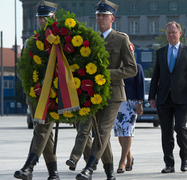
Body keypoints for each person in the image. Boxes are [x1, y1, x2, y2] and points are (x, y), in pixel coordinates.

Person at [75, 0, 137, 179]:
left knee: (103, 130)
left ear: (112, 19)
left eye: (104, 16)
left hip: (114, 93)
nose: (100, 18)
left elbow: (131, 69)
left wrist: (105, 74)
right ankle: (110, 172)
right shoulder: (91, 40)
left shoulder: (121, 39)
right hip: (94, 94)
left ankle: (89, 168)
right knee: (102, 135)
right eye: (98, 15)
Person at [14, 1, 60, 180]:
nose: (42, 21)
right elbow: (21, 69)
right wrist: (29, 86)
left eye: (45, 17)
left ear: (53, 17)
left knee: (41, 130)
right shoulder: (30, 42)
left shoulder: (59, 39)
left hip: (53, 95)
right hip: (34, 94)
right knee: (44, 134)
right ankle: (53, 173)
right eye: (40, 18)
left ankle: (28, 167)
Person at [148, 21, 187, 173]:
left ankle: (185, 159)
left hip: (182, 97)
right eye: (168, 33)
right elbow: (155, 75)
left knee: (180, 128)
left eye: (174, 33)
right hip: (163, 98)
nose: (171, 35)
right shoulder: (161, 52)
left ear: (180, 34)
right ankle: (169, 163)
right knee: (166, 132)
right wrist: (152, 97)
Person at [113, 63, 144, 174]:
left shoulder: (136, 67)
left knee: (127, 132)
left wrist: (140, 103)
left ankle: (122, 161)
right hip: (117, 102)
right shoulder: (114, 65)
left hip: (131, 102)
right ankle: (129, 157)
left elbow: (140, 85)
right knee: (120, 133)